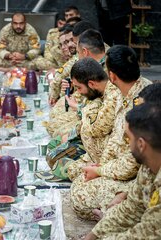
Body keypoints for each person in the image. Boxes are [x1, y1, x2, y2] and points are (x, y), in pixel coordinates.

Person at [70, 45, 151, 221]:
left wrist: (100, 170)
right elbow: (116, 138)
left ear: (112, 75)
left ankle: (119, 214)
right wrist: (100, 167)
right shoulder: (128, 92)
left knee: (79, 196)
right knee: (79, 178)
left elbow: (132, 164)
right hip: (121, 167)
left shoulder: (143, 101)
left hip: (141, 178)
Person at [84, 102, 161, 240]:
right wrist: (92, 236)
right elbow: (131, 209)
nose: (127, 144)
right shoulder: (148, 167)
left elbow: (145, 235)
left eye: (128, 139)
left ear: (141, 144)